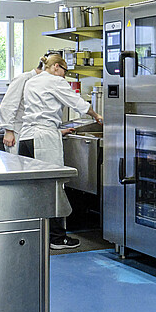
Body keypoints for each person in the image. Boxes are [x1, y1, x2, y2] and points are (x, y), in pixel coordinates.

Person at [17, 54, 102, 250]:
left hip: (27, 138)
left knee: (30, 189)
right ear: (56, 66)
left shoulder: (32, 81)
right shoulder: (55, 81)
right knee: (52, 187)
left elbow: (39, 112)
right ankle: (56, 238)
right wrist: (97, 115)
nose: (65, 76)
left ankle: (33, 234)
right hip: (43, 139)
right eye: (64, 71)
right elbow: (78, 103)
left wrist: (58, 130)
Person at [0, 54, 47, 154]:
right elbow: (8, 105)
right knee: (17, 162)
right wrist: (8, 131)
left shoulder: (41, 82)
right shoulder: (23, 78)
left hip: (30, 133)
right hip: (16, 133)